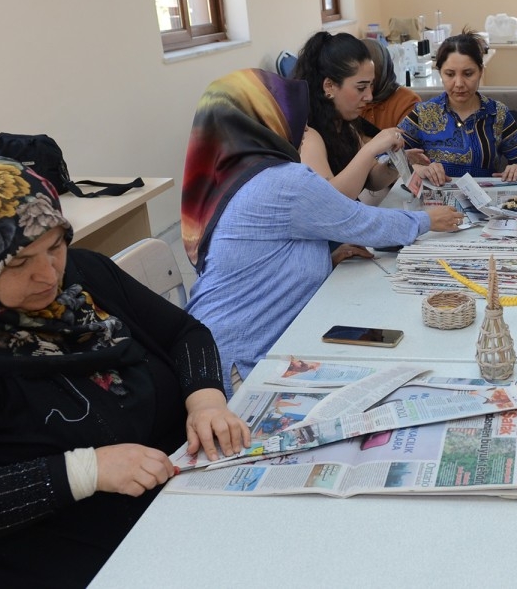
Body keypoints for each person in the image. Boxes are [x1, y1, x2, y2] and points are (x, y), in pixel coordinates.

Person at [0, 157, 250, 586]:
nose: (48, 275)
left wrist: (205, 399)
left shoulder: (85, 276)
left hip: (177, 510)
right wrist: (85, 471)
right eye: (17, 264)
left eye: (55, 245)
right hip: (72, 558)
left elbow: (185, 332)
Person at [181, 68, 461, 396]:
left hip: (210, 347)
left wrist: (323, 255)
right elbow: (363, 222)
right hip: (238, 365)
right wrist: (428, 220)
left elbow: (262, 249)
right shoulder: (284, 181)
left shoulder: (231, 177)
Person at [399, 30, 517, 186]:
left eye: (468, 74)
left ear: (480, 72)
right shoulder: (423, 113)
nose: (459, 83)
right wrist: (418, 168)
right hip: (434, 205)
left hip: (486, 203)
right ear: (440, 74)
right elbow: (387, 158)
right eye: (450, 74)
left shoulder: (497, 113)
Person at [291, 31, 406, 199]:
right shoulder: (308, 135)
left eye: (371, 86)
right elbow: (330, 201)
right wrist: (370, 149)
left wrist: (396, 163)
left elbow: (371, 179)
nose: (369, 96)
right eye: (361, 88)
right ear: (329, 86)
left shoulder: (344, 123)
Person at [359, 37, 421, 133]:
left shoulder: (407, 102)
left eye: (371, 83)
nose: (368, 96)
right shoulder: (350, 101)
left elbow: (404, 145)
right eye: (360, 86)